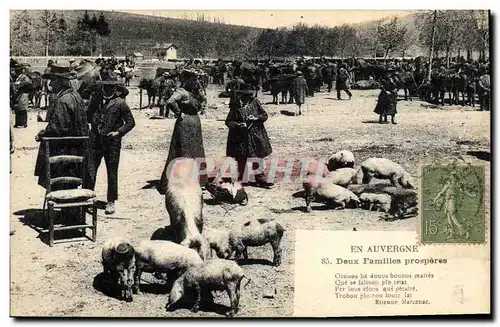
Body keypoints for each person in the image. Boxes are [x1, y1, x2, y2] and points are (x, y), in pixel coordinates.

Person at [34, 64, 91, 192]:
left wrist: (43, 133)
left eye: (53, 80)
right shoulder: (76, 96)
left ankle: (64, 204)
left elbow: (58, 128)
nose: (50, 83)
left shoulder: (62, 101)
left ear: (60, 82)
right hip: (77, 147)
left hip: (65, 150)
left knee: (46, 152)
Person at [85, 76, 136, 215]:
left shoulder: (120, 103)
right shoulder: (95, 101)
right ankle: (88, 199)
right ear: (101, 88)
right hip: (95, 141)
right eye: (105, 87)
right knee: (90, 170)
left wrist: (118, 133)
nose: (108, 90)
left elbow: (131, 122)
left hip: (112, 143)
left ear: (115, 88)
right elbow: (88, 116)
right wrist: (91, 126)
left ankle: (111, 201)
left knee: (112, 172)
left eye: (111, 87)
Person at [157, 70, 208, 195]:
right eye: (192, 79)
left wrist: (202, 107)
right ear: (186, 80)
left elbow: (204, 100)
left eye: (195, 79)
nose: (194, 82)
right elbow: (170, 101)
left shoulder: (196, 91)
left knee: (196, 150)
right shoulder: (181, 91)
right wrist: (179, 113)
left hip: (195, 122)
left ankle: (197, 181)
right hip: (184, 123)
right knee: (183, 150)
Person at [225, 86, 273, 188]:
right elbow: (228, 122)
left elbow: (264, 115)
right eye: (247, 96)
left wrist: (256, 118)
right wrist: (238, 125)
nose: (249, 98)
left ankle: (260, 179)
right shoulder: (235, 106)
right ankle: (242, 179)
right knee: (242, 158)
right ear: (241, 96)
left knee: (256, 156)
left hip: (255, 135)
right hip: (240, 137)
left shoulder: (255, 102)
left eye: (250, 96)